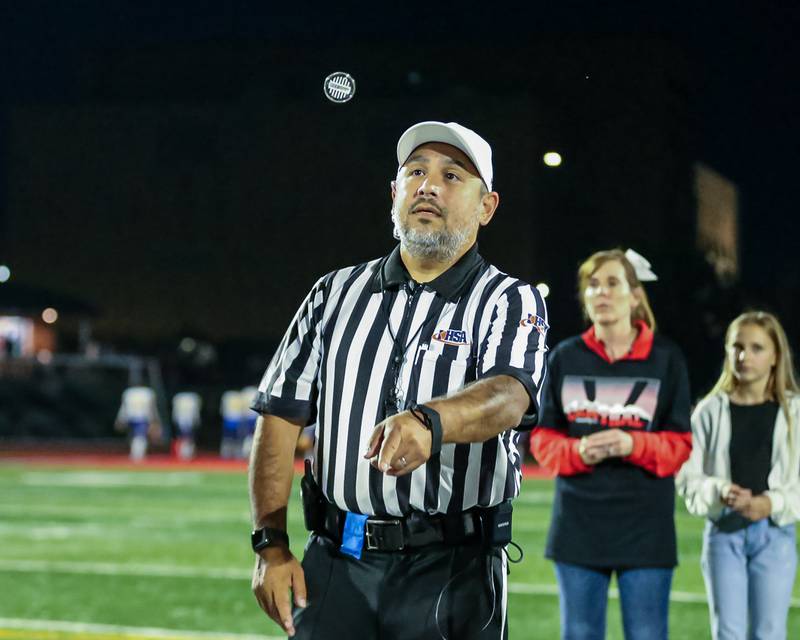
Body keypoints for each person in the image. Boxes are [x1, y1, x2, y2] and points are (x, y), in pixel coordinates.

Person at [248, 121, 549, 639]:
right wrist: (270, 545)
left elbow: (509, 394)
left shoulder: (509, 299)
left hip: (453, 569)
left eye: (452, 175)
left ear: (487, 207)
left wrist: (431, 422)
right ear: (394, 194)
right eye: (415, 172)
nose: (428, 185)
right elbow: (279, 417)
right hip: (336, 562)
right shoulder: (333, 293)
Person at [530, 248, 692, 640]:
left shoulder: (666, 359)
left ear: (635, 295)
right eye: (593, 284)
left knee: (647, 634)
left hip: (646, 530)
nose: (600, 292)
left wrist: (632, 444)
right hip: (578, 529)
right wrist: (578, 453)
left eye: (612, 283)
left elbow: (680, 446)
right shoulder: (565, 358)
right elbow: (541, 437)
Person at [676, 311, 800, 640]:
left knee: (769, 632)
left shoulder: (795, 412)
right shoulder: (710, 409)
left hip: (774, 535)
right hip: (723, 534)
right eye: (737, 347)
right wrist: (719, 490)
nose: (744, 356)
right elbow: (688, 475)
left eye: (757, 348)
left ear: (776, 356)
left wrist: (771, 503)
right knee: (727, 633)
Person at [115, 385, 162, 461]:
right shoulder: (147, 393)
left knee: (137, 436)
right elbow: (152, 408)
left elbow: (123, 408)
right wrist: (154, 420)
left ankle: (136, 455)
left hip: (131, 417)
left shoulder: (128, 393)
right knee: (140, 436)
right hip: (142, 417)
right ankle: (137, 456)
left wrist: (121, 418)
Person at [172, 391, 202, 460]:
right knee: (184, 438)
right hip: (183, 421)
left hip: (187, 421)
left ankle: (187, 454)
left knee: (188, 439)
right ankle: (184, 454)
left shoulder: (192, 399)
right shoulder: (182, 398)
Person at [220, 389, 244, 459]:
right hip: (234, 419)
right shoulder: (239, 396)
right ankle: (232, 452)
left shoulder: (228, 395)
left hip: (230, 418)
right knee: (232, 437)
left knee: (230, 437)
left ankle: (228, 452)